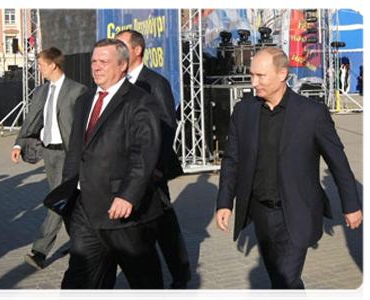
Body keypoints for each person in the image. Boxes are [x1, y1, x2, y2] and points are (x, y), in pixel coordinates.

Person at [215, 47, 363, 300]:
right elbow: (232, 160)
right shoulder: (245, 110)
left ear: (282, 73)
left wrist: (351, 205)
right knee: (284, 281)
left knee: (284, 284)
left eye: (261, 76)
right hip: (260, 212)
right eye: (252, 75)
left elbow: (338, 162)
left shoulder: (311, 113)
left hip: (297, 211)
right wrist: (225, 203)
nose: (254, 82)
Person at [58, 38, 165, 300]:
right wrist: (69, 187)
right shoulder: (84, 101)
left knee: (145, 284)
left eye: (104, 62)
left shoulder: (140, 101)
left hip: (124, 213)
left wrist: (128, 194)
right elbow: (76, 150)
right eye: (94, 61)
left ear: (122, 65)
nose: (96, 67)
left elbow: (145, 153)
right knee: (79, 281)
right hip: (86, 209)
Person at [116, 29, 191, 296]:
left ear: (137, 50)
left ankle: (180, 273)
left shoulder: (154, 83)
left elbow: (167, 126)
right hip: (126, 168)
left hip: (152, 170)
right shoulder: (118, 82)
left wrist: (155, 169)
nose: (117, 49)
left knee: (164, 224)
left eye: (121, 45)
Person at [11, 47, 87, 270]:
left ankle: (40, 251)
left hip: (68, 154)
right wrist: (19, 143)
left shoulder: (77, 90)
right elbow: (32, 120)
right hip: (48, 153)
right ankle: (82, 243)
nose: (39, 67)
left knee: (58, 199)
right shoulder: (42, 91)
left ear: (54, 64)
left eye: (42, 63)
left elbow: (83, 126)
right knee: (67, 200)